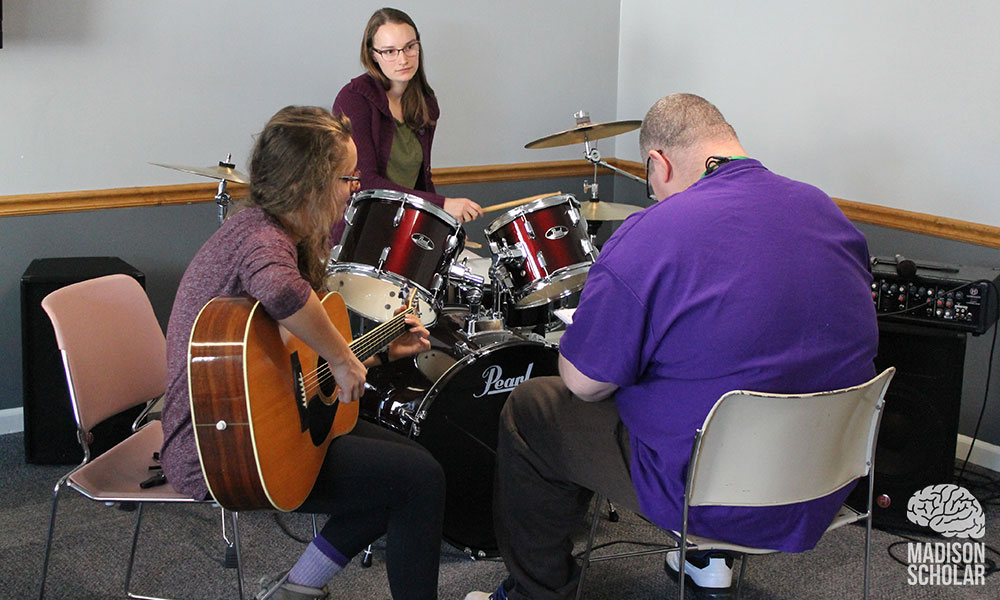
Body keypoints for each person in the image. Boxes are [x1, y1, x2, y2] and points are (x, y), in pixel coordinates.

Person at [466, 93, 879, 600]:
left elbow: (584, 383)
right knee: (736, 369)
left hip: (705, 493)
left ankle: (536, 593)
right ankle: (707, 561)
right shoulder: (824, 209)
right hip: (824, 478)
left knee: (534, 407)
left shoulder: (654, 232)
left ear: (657, 164)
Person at [159, 106, 444, 600]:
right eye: (346, 177)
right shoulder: (260, 237)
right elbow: (282, 294)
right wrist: (341, 357)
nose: (355, 187)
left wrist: (374, 352)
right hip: (221, 449)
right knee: (418, 482)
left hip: (254, 421)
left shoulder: (277, 232)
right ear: (309, 183)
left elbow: (290, 363)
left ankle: (297, 589)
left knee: (413, 466)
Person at [331, 6, 482, 246]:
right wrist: (442, 205)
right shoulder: (353, 99)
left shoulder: (426, 101)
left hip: (404, 228)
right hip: (358, 231)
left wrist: (444, 224)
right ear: (373, 55)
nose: (403, 59)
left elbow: (422, 180)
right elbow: (365, 182)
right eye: (390, 51)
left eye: (410, 47)